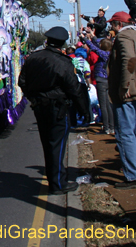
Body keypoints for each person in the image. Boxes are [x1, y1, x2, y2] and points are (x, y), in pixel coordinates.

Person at [18, 26, 90, 195]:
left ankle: (56, 180)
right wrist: (84, 111)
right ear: (63, 43)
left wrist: (34, 98)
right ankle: (58, 183)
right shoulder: (63, 62)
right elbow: (74, 89)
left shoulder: (33, 58)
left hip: (39, 107)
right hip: (58, 107)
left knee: (47, 144)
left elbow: (23, 82)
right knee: (57, 145)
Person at [107, 11, 136, 189]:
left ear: (119, 24)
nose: (111, 28)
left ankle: (134, 176)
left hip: (128, 93)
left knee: (125, 133)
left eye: (112, 24)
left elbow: (129, 59)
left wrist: (124, 85)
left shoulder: (123, 37)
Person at [85, 35, 114, 135]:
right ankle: (111, 126)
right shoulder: (110, 53)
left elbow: (94, 48)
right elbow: (97, 46)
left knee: (103, 105)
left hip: (101, 80)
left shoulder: (104, 54)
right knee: (108, 104)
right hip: (108, 80)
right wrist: (93, 37)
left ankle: (106, 127)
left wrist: (86, 40)